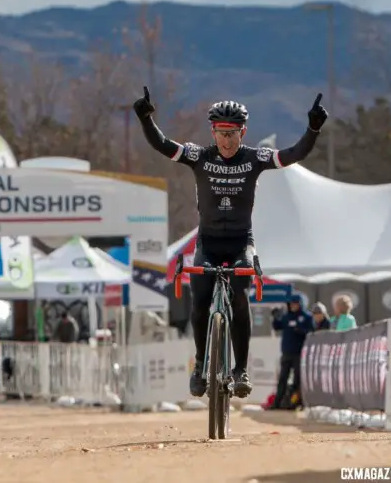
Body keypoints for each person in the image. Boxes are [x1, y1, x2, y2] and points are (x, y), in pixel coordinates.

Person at [133, 86, 327, 398]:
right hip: (207, 242)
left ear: (243, 132)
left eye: (232, 133)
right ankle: (199, 365)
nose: (226, 140)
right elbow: (163, 145)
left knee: (239, 299)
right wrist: (146, 119)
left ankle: (241, 369)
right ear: (213, 132)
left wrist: (313, 129)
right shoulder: (199, 156)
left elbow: (294, 154)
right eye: (221, 133)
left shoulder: (255, 158)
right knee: (198, 302)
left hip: (240, 243)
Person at [271, 294, 314, 409]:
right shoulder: (286, 317)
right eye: (291, 304)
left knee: (297, 380)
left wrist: (299, 329)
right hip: (286, 353)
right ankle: (277, 404)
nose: (293, 306)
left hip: (299, 354)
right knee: (282, 379)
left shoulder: (307, 317)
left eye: (295, 304)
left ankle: (295, 403)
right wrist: (275, 317)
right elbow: (277, 327)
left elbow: (311, 332)